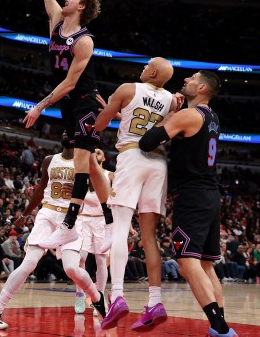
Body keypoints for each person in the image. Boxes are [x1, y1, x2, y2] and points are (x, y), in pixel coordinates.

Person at [22, 0, 112, 250]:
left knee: (83, 161)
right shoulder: (57, 21)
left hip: (83, 97)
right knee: (86, 163)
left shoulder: (85, 40)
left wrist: (39, 105)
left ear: (82, 8)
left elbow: (72, 82)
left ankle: (72, 223)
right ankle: (109, 218)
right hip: (68, 101)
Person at [139, 70, 238, 337]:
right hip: (209, 195)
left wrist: (170, 114)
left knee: (186, 262)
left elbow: (146, 142)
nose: (186, 81)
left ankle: (220, 327)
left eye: (192, 79)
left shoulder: (188, 115)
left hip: (192, 196)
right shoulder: (212, 117)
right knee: (206, 265)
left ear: (203, 88)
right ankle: (220, 324)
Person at [0, 135, 107, 331]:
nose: (65, 133)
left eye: (70, 131)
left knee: (72, 269)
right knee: (28, 264)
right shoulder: (50, 160)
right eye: (64, 131)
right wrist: (24, 214)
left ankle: (97, 298)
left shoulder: (85, 160)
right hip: (47, 214)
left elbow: (96, 189)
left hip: (72, 218)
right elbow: (41, 189)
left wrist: (94, 162)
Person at [94, 57, 178, 331]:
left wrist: (109, 107)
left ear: (152, 72)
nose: (142, 69)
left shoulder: (127, 89)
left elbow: (99, 124)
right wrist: (123, 114)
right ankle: (155, 300)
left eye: (146, 66)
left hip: (131, 157)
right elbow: (155, 128)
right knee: (149, 236)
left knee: (119, 227)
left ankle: (116, 294)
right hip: (158, 163)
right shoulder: (172, 101)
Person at [74, 148, 111, 316]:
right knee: (80, 258)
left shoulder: (110, 175)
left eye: (99, 152)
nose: (95, 154)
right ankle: (80, 294)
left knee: (101, 260)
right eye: (93, 152)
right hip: (83, 220)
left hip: (101, 221)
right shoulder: (82, 174)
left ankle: (100, 298)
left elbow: (114, 198)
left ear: (103, 157)